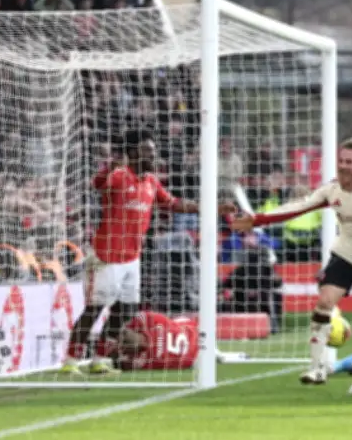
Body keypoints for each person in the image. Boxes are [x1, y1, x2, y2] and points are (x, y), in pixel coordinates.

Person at [233, 137, 352, 385]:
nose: (343, 165)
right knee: (324, 303)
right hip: (344, 255)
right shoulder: (332, 189)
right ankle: (316, 368)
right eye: (340, 160)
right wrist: (258, 219)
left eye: (349, 161)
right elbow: (298, 207)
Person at [61, 130, 236, 375]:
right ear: (133, 153)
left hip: (133, 258)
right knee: (95, 308)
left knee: (124, 310)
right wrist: (111, 166)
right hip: (106, 256)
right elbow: (98, 184)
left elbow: (174, 204)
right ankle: (69, 361)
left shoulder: (151, 181)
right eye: (148, 152)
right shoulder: (120, 176)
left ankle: (99, 359)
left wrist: (211, 208)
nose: (154, 156)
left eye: (154, 152)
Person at [96, 311, 200, 371]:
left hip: (192, 333)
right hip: (193, 355)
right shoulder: (141, 360)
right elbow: (120, 365)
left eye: (124, 338)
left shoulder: (147, 320)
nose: (121, 343)